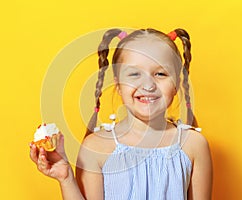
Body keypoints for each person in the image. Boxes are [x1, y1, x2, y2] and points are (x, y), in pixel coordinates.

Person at [30, 28, 213, 200]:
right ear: (118, 85)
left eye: (160, 74)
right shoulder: (95, 147)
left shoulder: (193, 145)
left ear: (176, 84)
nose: (148, 85)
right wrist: (66, 178)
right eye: (134, 74)